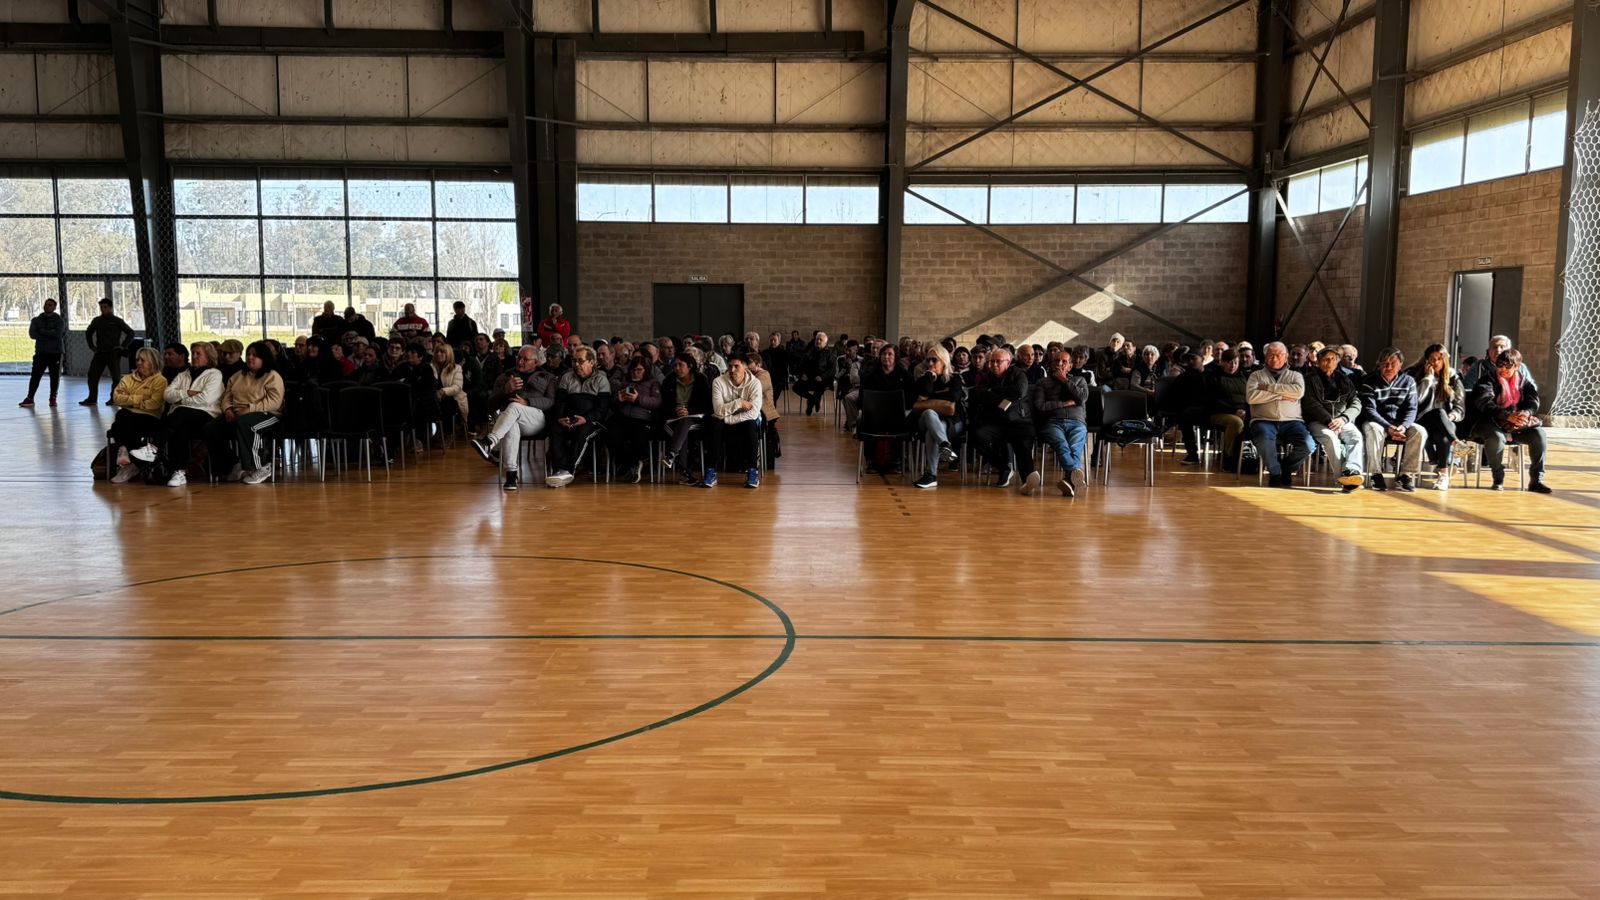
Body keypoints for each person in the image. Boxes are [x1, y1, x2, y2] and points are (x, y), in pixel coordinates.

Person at [1469, 348, 1551, 493]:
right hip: (1488, 422)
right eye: (1500, 365)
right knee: (1496, 437)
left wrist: (1525, 413)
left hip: (1515, 426)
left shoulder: (1524, 382)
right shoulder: (1487, 380)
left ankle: (1536, 480)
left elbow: (1533, 400)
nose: (1503, 369)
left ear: (1517, 367)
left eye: (1507, 366)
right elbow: (1484, 402)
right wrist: (1506, 415)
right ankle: (1498, 478)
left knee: (1539, 435)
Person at [472, 346, 553, 492]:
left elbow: (551, 401)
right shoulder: (505, 377)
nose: (520, 362)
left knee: (514, 406)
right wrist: (505, 390)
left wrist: (528, 402)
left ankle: (490, 441)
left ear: (535, 363)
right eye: (519, 358)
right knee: (512, 424)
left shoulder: (547, 377)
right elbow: (490, 405)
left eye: (525, 359)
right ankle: (511, 474)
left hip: (536, 419)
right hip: (509, 420)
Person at [203, 341, 284, 485]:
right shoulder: (238, 376)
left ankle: (258, 467)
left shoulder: (272, 376)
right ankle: (232, 463)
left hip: (267, 414)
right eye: (248, 354)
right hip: (237, 413)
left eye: (255, 355)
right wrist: (228, 410)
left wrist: (249, 409)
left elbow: (274, 401)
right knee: (210, 428)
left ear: (264, 358)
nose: (250, 357)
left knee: (246, 424)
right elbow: (227, 397)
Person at [145, 341, 223, 487]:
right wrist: (187, 392)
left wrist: (181, 400)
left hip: (206, 414)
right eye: (193, 353)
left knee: (179, 413)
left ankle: (154, 447)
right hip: (183, 417)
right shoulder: (183, 374)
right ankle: (179, 472)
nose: (194, 356)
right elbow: (167, 395)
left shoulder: (215, 374)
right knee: (179, 426)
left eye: (198, 353)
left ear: (208, 357)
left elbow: (206, 399)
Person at [970, 346, 1040, 494]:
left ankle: (1027, 480)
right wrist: (1002, 399)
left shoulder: (1019, 374)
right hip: (996, 422)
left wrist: (992, 392)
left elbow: (1019, 392)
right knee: (977, 436)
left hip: (1020, 421)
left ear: (1008, 363)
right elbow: (980, 395)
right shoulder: (986, 377)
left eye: (998, 361)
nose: (994, 364)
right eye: (992, 361)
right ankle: (1004, 466)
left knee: (1022, 444)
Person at [1245, 342, 1314, 488]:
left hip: (1292, 422)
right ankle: (1275, 473)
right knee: (1263, 438)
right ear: (1265, 356)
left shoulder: (1296, 376)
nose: (1274, 358)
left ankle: (1286, 469)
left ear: (1286, 356)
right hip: (1263, 420)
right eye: (1270, 355)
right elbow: (1251, 397)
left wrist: (1268, 388)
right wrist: (1282, 395)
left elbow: (1298, 392)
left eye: (1278, 355)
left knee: (1308, 444)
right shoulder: (1256, 376)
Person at [1358, 347, 1425, 492]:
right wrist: (1388, 426)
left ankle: (1405, 475)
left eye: (1393, 363)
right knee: (1373, 429)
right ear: (1379, 364)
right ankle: (1376, 474)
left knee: (1419, 431)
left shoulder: (1409, 381)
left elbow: (1412, 408)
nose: (1388, 367)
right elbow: (1369, 410)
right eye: (1384, 363)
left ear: (1401, 364)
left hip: (1400, 424)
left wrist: (1404, 426)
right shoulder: (1369, 381)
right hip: (1377, 422)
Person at [544, 345, 610, 488]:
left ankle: (568, 471)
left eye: (580, 361)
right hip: (569, 419)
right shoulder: (567, 377)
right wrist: (561, 418)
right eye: (574, 361)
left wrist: (586, 419)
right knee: (555, 429)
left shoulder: (601, 380)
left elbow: (602, 410)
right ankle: (559, 470)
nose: (576, 364)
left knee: (581, 432)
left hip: (592, 421)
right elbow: (560, 402)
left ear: (591, 362)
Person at [1303, 347, 1367, 492]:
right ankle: (1343, 478)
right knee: (1330, 438)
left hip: (1341, 420)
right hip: (1318, 421)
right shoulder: (1309, 379)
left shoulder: (1345, 379)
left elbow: (1356, 403)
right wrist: (1328, 420)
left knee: (1355, 436)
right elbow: (1310, 403)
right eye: (1326, 359)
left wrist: (1344, 418)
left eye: (1333, 359)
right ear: (1318, 362)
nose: (1330, 362)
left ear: (1338, 361)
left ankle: (1352, 470)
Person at [1031, 349, 1089, 497]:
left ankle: (1070, 480)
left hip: (1077, 422)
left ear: (1070, 366)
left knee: (1075, 447)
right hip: (1052, 422)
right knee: (1062, 445)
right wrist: (1063, 404)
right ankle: (1074, 475)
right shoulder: (1042, 382)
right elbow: (1040, 406)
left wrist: (1064, 380)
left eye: (1064, 361)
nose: (1060, 364)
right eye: (1056, 361)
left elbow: (1082, 398)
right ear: (1051, 364)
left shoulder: (1079, 381)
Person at [106, 347, 169, 483]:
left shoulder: (160, 381)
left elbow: (154, 404)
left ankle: (126, 454)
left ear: (152, 362)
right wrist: (141, 399)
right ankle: (130, 459)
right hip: (128, 416)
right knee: (123, 416)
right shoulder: (128, 378)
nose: (139, 363)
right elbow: (116, 398)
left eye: (143, 360)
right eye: (137, 360)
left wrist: (129, 401)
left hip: (150, 417)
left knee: (122, 421)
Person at [1409, 342, 1465, 490]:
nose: (1436, 362)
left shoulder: (1453, 378)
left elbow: (1460, 408)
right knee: (1439, 413)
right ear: (1426, 360)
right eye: (1432, 359)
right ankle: (1456, 443)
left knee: (1442, 433)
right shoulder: (1416, 375)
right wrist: (1427, 379)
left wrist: (1451, 417)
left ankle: (1443, 475)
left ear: (1445, 359)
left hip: (1446, 423)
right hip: (1422, 420)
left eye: (1439, 359)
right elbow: (1416, 401)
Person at [910, 345, 966, 489]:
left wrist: (930, 397)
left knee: (931, 433)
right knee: (929, 413)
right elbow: (920, 394)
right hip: (924, 419)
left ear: (944, 361)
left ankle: (931, 475)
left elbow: (954, 396)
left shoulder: (954, 378)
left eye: (934, 360)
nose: (930, 363)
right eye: (928, 360)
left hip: (951, 420)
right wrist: (929, 377)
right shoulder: (924, 379)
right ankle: (945, 446)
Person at [703, 355, 763, 489]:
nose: (732, 370)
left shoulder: (755, 383)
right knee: (714, 425)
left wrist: (727, 418)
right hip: (724, 422)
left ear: (745, 367)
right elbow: (718, 410)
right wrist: (739, 403)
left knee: (751, 424)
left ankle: (753, 471)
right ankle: (711, 471)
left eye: (736, 366)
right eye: (730, 366)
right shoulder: (718, 381)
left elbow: (753, 413)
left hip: (744, 421)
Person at [607, 356, 661, 483]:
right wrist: (619, 400)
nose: (635, 373)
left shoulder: (653, 382)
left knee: (640, 438)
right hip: (623, 416)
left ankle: (633, 464)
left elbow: (657, 402)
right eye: (633, 370)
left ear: (646, 370)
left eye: (639, 370)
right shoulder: (625, 381)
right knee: (611, 435)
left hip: (643, 417)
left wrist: (638, 399)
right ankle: (631, 463)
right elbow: (613, 403)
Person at [660, 354, 713, 482]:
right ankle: (681, 469)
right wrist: (675, 411)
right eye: (675, 365)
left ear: (690, 366)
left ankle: (672, 456)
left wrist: (690, 410)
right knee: (683, 427)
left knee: (685, 423)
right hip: (674, 419)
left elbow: (707, 404)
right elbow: (664, 405)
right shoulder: (669, 380)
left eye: (681, 365)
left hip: (696, 417)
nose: (677, 368)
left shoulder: (700, 379)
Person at [81, 298, 134, 406]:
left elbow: (130, 332)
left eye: (105, 307)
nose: (103, 309)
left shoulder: (117, 321)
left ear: (110, 308)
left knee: (116, 377)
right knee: (92, 375)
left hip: (113, 353)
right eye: (101, 307)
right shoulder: (97, 320)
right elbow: (88, 332)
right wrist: (91, 346)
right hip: (100, 352)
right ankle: (92, 398)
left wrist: (122, 346)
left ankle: (114, 398)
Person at [1204, 350, 1249, 469]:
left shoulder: (1243, 376)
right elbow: (1212, 401)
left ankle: (1248, 457)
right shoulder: (1213, 377)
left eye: (1235, 363)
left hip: (1242, 411)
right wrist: (1234, 411)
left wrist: (1246, 410)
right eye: (1229, 362)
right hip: (1218, 412)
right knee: (1236, 422)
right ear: (1222, 362)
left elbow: (1249, 397)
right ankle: (1229, 457)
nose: (1232, 366)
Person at [19, 298, 65, 408]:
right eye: (46, 304)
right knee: (35, 376)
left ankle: (53, 398)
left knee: (54, 377)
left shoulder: (59, 320)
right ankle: (30, 398)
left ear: (54, 307)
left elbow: (57, 334)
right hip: (41, 352)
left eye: (50, 305)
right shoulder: (36, 320)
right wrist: (49, 333)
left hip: (55, 353)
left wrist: (42, 331)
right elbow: (32, 334)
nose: (47, 306)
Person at [746, 351, 781, 469]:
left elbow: (752, 391)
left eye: (749, 362)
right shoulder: (751, 375)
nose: (746, 365)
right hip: (756, 411)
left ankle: (753, 461)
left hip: (766, 414)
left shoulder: (764, 375)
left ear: (758, 364)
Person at [1462, 334, 1535, 390]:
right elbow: (1467, 388)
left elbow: (1531, 389)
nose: (1498, 350)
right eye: (1495, 347)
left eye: (1502, 347)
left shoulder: (1520, 367)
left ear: (1509, 350)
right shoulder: (1479, 366)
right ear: (1489, 351)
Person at [793, 332, 837, 416]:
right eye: (817, 339)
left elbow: (832, 370)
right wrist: (802, 374)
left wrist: (822, 377)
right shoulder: (810, 351)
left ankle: (810, 405)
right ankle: (814, 400)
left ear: (825, 343)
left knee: (819, 387)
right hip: (809, 377)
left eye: (821, 340)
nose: (818, 341)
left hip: (823, 379)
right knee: (796, 387)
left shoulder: (830, 353)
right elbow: (802, 365)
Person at [433, 343, 468, 429]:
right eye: (436, 352)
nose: (438, 354)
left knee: (447, 404)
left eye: (442, 352)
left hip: (453, 397)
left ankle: (448, 432)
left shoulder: (456, 368)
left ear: (448, 354)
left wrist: (443, 391)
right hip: (434, 397)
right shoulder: (430, 367)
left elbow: (457, 387)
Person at [762, 332, 789, 403]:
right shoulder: (765, 352)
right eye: (771, 340)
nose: (772, 342)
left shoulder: (784, 353)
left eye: (775, 340)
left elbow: (783, 368)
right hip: (767, 377)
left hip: (780, 378)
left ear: (779, 341)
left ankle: (771, 406)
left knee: (773, 394)